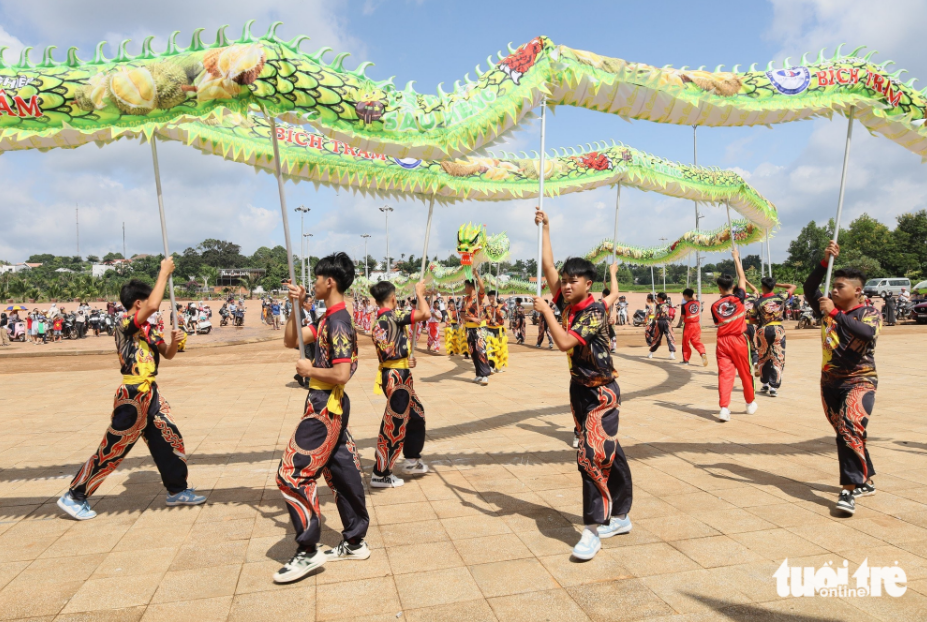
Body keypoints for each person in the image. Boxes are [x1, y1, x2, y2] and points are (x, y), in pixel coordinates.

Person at [58, 258, 205, 521]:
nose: (153, 308)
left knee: (169, 438)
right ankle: (75, 495)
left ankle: (177, 490)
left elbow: (168, 355)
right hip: (133, 396)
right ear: (138, 303)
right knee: (114, 448)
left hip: (151, 394)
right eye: (148, 303)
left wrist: (175, 342)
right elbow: (153, 304)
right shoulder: (125, 324)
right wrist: (163, 272)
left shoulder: (148, 331)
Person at [533, 207, 631, 560]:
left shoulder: (593, 311)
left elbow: (563, 343)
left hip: (602, 392)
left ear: (589, 283)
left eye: (575, 280)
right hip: (579, 389)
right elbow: (547, 268)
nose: (567, 283)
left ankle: (592, 530)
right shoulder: (567, 301)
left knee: (591, 455)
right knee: (609, 450)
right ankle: (621, 514)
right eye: (566, 279)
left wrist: (545, 312)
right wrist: (547, 227)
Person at [276, 253, 370, 584]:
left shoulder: (338, 321)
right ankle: (356, 540)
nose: (312, 283)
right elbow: (292, 340)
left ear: (329, 282)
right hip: (325, 403)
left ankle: (308, 549)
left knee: (291, 474)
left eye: (316, 279)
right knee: (342, 471)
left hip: (324, 406)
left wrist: (309, 369)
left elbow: (342, 373)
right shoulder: (327, 317)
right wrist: (297, 306)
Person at [804, 241, 881, 515]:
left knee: (849, 429)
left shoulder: (868, 312)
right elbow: (809, 286)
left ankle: (848, 490)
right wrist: (825, 261)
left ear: (857, 290)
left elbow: (866, 334)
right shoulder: (826, 308)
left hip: (860, 381)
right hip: (829, 383)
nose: (833, 291)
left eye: (840, 287)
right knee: (847, 432)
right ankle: (866, 479)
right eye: (832, 287)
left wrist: (834, 313)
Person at [368, 280, 431, 489]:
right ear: (393, 298)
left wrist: (406, 359)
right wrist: (420, 294)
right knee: (394, 424)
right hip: (397, 377)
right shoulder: (392, 315)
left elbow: (391, 350)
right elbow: (425, 314)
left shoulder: (379, 320)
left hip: (396, 372)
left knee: (416, 414)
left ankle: (412, 458)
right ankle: (381, 472)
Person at [710, 248, 758, 422]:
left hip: (722, 342)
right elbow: (742, 278)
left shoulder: (715, 306)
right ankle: (749, 403)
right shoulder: (739, 297)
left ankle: (724, 408)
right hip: (739, 340)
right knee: (745, 372)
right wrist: (736, 258)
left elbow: (719, 321)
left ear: (720, 288)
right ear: (733, 286)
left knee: (725, 374)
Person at [750, 278, 797, 397]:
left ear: (763, 287)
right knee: (778, 357)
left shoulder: (758, 302)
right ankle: (773, 387)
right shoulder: (780, 297)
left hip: (763, 330)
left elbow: (752, 318)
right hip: (778, 330)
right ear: (773, 287)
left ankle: (765, 382)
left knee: (763, 356)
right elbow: (793, 286)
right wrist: (777, 284)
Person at [462, 272, 492, 385]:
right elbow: (462, 314)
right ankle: (479, 374)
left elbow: (482, 287)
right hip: (469, 328)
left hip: (479, 329)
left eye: (465, 286)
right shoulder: (465, 299)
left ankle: (485, 375)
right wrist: (473, 319)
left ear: (470, 287)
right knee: (473, 352)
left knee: (480, 350)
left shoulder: (478, 297)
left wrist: (477, 275)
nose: (464, 288)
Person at [676, 288, 707, 366]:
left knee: (685, 343)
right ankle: (702, 352)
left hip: (688, 325)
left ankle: (686, 360)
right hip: (697, 324)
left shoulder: (684, 305)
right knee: (696, 340)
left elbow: (682, 317)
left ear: (686, 296)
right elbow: (694, 299)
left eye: (684, 296)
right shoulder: (697, 302)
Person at [483, 290, 509, 373]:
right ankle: (491, 366)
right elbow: (483, 317)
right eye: (489, 296)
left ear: (496, 297)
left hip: (499, 331)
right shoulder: (487, 308)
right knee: (489, 348)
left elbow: (504, 316)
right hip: (490, 330)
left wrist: (496, 308)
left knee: (499, 349)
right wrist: (489, 320)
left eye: (492, 296)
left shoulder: (502, 306)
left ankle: (499, 366)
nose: (491, 298)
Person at [647, 292, 676, 360]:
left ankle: (651, 353)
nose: (656, 298)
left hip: (660, 322)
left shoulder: (658, 306)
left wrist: (653, 321)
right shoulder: (668, 305)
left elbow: (657, 315)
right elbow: (663, 306)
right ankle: (672, 353)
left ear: (660, 298)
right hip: (667, 322)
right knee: (670, 337)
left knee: (657, 337)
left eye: (657, 297)